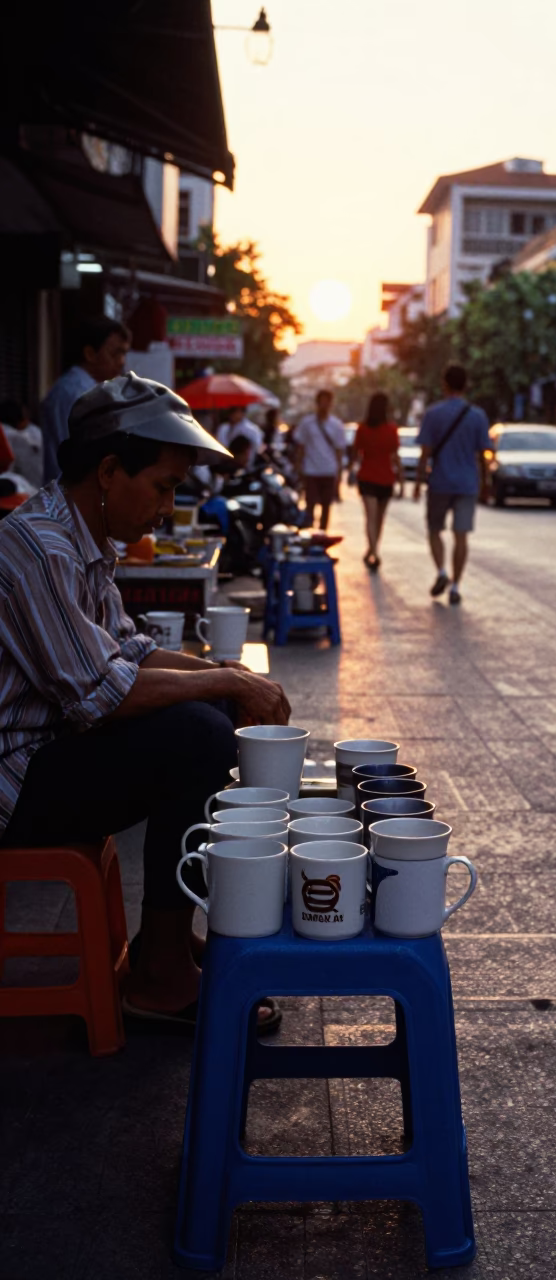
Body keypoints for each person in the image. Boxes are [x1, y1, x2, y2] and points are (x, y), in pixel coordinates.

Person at [0, 372, 290, 1030]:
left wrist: (226, 676)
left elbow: (129, 651)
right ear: (109, 470)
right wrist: (225, 682)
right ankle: (159, 975)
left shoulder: (84, 539)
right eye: (162, 487)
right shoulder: (40, 549)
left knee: (214, 714)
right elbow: (98, 693)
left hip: (50, 754)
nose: (167, 506)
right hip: (13, 783)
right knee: (197, 735)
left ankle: (168, 935)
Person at [414, 364, 489, 606]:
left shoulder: (433, 414)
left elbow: (425, 453)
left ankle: (441, 572)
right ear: (466, 385)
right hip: (467, 484)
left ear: (444, 384)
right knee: (461, 536)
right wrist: (486, 483)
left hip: (440, 482)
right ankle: (456, 586)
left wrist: (418, 482)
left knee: (434, 530)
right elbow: (483, 455)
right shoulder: (477, 416)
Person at [40, 316, 131, 482]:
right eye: (115, 353)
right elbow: (78, 460)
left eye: (124, 353)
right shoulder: (75, 393)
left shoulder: (89, 391)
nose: (121, 362)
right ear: (90, 354)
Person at [350, 392, 403, 570]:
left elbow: (355, 453)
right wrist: (401, 481)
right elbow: (395, 457)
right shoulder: (391, 430)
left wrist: (349, 471)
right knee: (379, 519)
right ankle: (374, 552)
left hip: (367, 476)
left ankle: (372, 551)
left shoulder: (363, 429)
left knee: (371, 518)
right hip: (386, 478)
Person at [294, 390, 346, 530]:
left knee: (326, 506)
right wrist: (299, 466)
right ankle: (309, 532)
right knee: (310, 504)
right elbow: (301, 447)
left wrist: (339, 472)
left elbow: (339, 450)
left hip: (328, 470)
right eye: (322, 402)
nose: (324, 405)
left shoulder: (336, 425)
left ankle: (323, 533)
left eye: (326, 402)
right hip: (311, 470)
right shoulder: (307, 423)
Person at [0, 400, 43, 490]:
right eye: (26, 417)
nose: (28, 421)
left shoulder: (31, 431)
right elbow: (32, 474)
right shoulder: (16, 438)